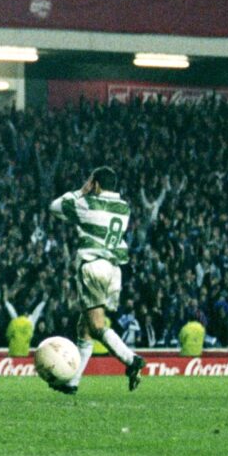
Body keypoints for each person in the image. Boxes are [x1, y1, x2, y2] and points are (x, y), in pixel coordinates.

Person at [49, 166, 145, 394]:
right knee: (84, 327)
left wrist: (82, 191)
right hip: (114, 271)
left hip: (93, 266)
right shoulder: (124, 207)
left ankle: (131, 360)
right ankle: (72, 383)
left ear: (96, 184)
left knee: (96, 326)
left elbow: (54, 207)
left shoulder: (87, 203)